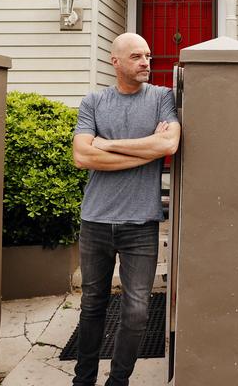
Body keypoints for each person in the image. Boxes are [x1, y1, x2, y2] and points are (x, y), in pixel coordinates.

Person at [70, 32, 180, 386]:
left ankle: (118, 381)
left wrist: (109, 145)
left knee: (136, 312)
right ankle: (82, 380)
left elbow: (169, 143)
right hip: (95, 221)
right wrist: (145, 151)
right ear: (115, 61)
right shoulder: (94, 102)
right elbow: (82, 155)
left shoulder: (163, 98)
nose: (146, 62)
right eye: (136, 56)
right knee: (92, 306)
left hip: (141, 223)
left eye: (147, 55)